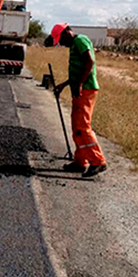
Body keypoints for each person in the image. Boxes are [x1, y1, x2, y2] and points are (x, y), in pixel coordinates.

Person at [51, 23, 107, 177]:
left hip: (86, 89)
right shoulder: (75, 43)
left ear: (66, 33)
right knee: (77, 126)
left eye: (60, 40)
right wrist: (65, 84)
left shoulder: (80, 40)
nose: (62, 44)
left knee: (82, 126)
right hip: (80, 89)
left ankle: (98, 161)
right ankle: (80, 162)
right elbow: (78, 68)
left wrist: (80, 84)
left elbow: (89, 62)